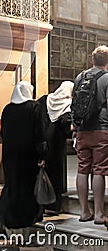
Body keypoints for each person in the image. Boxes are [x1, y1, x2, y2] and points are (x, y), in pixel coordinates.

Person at [0, 81, 46, 238]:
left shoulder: (7, 109)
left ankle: (6, 217)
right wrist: (41, 154)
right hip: (28, 153)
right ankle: (27, 218)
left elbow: (3, 132)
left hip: (10, 153)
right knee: (27, 185)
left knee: (12, 183)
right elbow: (39, 132)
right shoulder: (34, 107)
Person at [73, 45, 108, 225]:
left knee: (82, 169)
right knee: (99, 170)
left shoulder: (80, 77)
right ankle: (99, 214)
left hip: (81, 129)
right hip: (101, 128)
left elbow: (74, 102)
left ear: (92, 59)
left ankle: (84, 212)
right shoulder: (107, 78)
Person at [37, 81, 73, 214]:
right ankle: (53, 206)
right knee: (55, 173)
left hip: (42, 141)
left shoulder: (45, 100)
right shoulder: (67, 106)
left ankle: (40, 204)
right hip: (56, 144)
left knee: (42, 173)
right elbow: (66, 126)